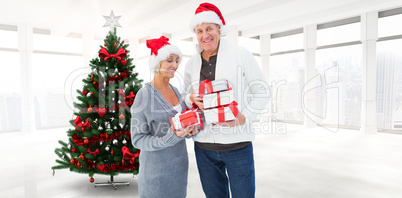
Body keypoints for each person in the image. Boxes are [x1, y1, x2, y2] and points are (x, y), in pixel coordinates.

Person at [183, 3, 270, 198]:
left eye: (209, 29)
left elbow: (263, 92)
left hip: (237, 145)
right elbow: (184, 96)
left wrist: (243, 117)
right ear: (195, 34)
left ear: (219, 29)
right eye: (199, 31)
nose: (205, 35)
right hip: (204, 147)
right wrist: (189, 98)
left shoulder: (241, 54)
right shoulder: (191, 64)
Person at [130, 36, 198, 198]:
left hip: (179, 169)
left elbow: (180, 125)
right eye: (169, 61)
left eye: (177, 61)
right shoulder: (144, 95)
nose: (175, 65)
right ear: (157, 62)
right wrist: (170, 138)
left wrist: (190, 130)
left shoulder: (176, 91)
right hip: (156, 175)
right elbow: (138, 139)